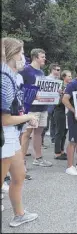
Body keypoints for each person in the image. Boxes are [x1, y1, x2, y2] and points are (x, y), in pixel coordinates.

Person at [1, 37, 38, 226]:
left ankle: (19, 214)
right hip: (5, 135)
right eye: (21, 53)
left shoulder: (12, 77)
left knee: (19, 174)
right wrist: (27, 117)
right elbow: (5, 119)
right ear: (11, 54)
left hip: (11, 135)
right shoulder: (4, 79)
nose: (23, 57)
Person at [19, 48, 53, 168]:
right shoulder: (26, 70)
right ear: (35, 57)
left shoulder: (42, 72)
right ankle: (21, 162)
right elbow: (19, 86)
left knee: (38, 132)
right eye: (42, 56)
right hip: (31, 108)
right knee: (27, 133)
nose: (44, 58)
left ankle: (38, 158)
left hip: (42, 107)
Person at [53, 70, 72, 160]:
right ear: (64, 77)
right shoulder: (59, 87)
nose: (70, 78)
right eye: (68, 76)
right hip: (59, 110)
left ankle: (62, 151)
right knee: (59, 132)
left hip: (67, 111)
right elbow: (57, 101)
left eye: (71, 76)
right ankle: (57, 153)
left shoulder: (70, 86)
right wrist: (62, 94)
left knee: (64, 132)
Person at [41, 63, 61, 147]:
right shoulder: (46, 79)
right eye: (57, 70)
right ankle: (41, 141)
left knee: (54, 123)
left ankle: (53, 139)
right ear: (52, 70)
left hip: (55, 104)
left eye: (59, 70)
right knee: (45, 124)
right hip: (47, 104)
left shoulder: (58, 81)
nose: (59, 71)